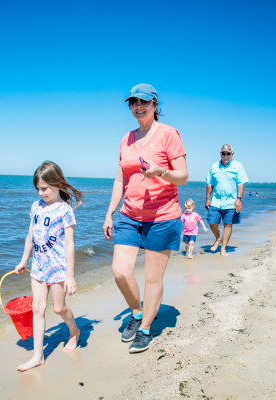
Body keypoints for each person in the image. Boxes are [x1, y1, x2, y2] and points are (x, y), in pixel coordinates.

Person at [103, 83, 188, 353]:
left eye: (145, 101)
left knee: (153, 277)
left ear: (155, 105)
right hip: (129, 215)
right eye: (133, 102)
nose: (138, 106)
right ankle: (137, 311)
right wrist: (109, 212)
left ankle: (145, 327)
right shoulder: (126, 138)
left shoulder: (168, 133)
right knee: (120, 272)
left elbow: (184, 176)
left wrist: (160, 171)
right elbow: (120, 179)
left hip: (162, 215)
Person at [14, 161, 85, 371]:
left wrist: (70, 276)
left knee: (58, 308)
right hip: (38, 266)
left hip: (58, 267)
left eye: (44, 188)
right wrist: (24, 260)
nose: (41, 192)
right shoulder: (35, 206)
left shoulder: (65, 211)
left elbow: (70, 244)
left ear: (57, 183)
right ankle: (38, 356)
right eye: (38, 188)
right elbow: (30, 236)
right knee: (37, 308)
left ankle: (74, 332)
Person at [205, 144, 249, 257]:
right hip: (216, 200)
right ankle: (218, 238)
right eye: (223, 153)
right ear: (220, 154)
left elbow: (241, 184)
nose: (225, 155)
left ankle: (223, 248)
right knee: (212, 222)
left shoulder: (238, 166)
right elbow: (209, 184)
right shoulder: (214, 166)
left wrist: (239, 200)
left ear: (232, 154)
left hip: (231, 201)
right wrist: (207, 199)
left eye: (228, 153)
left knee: (227, 225)